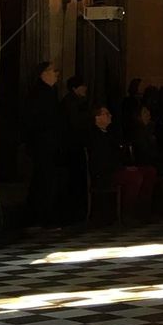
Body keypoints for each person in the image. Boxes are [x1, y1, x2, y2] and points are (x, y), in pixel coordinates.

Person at [87, 104, 156, 219]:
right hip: (105, 173)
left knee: (150, 171)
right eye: (106, 114)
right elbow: (102, 159)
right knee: (134, 177)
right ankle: (127, 213)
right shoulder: (94, 136)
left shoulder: (110, 134)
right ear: (97, 118)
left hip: (117, 168)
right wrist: (122, 168)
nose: (110, 116)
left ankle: (144, 211)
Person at [21, 62, 62, 229]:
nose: (56, 74)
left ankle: (43, 217)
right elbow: (36, 121)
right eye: (54, 71)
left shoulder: (50, 93)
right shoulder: (38, 94)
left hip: (49, 144)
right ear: (43, 74)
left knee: (46, 181)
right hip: (42, 144)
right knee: (42, 181)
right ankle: (39, 218)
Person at [59, 76, 90, 223]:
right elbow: (75, 124)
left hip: (73, 145)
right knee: (74, 179)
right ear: (74, 88)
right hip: (72, 146)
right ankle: (73, 214)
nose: (85, 89)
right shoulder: (71, 103)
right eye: (82, 86)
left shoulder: (74, 102)